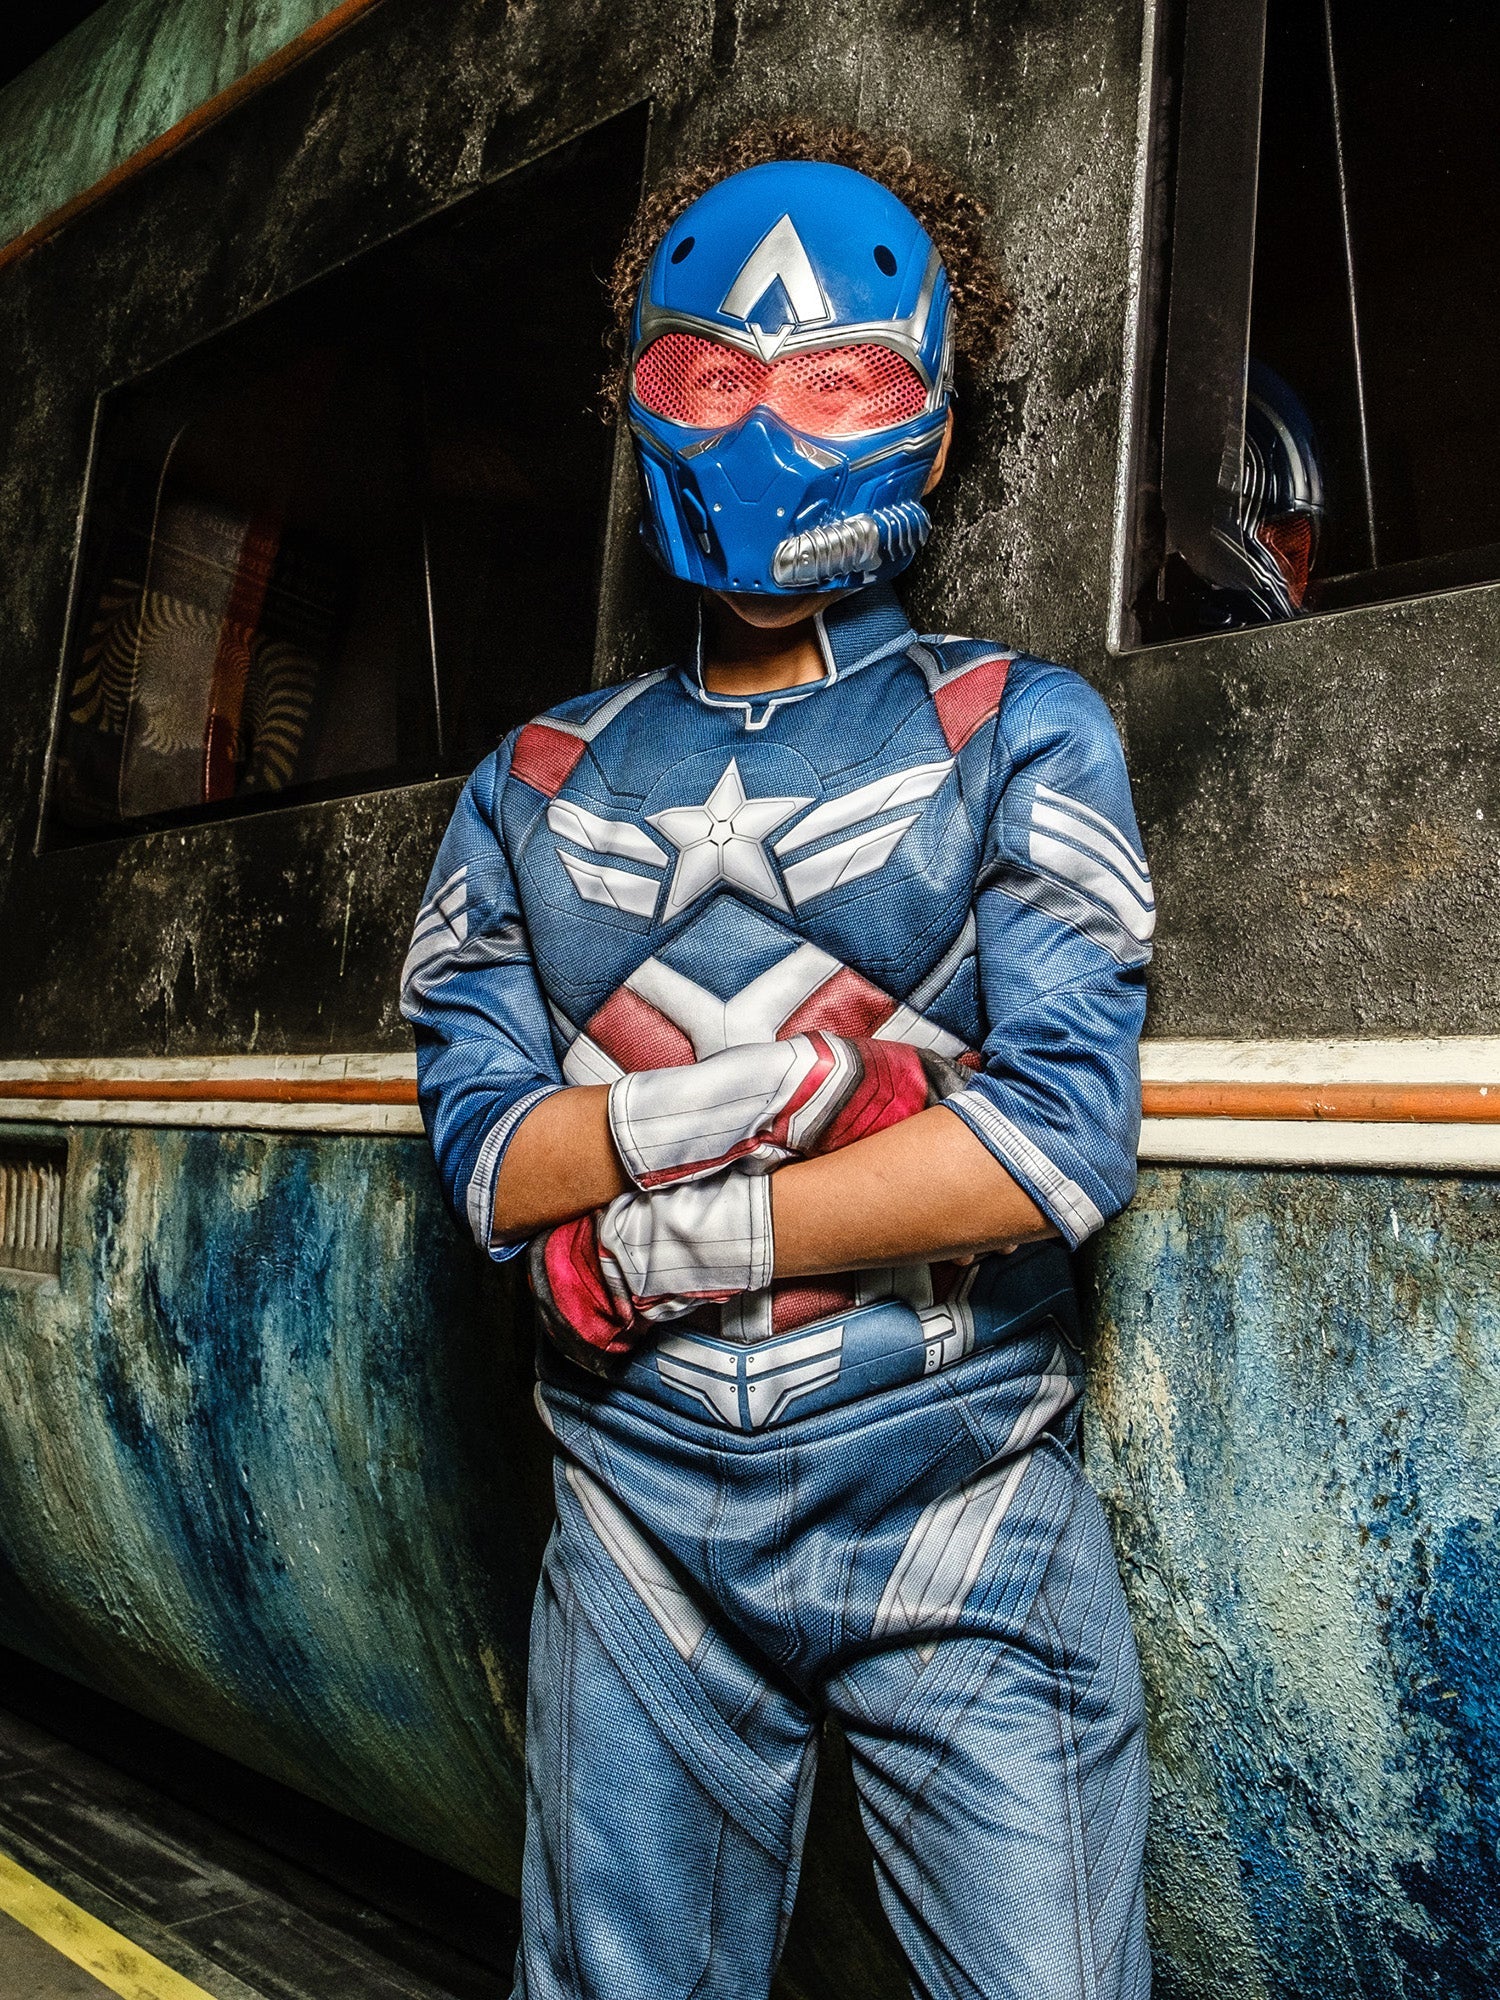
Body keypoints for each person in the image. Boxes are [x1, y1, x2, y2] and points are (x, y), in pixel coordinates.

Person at [403, 119, 1153, 2000]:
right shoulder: (533, 781)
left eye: (835, 382)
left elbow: (1056, 1145)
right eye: (711, 375)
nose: (762, 433)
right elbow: (485, 1161)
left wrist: (680, 1229)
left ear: (933, 426)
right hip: (639, 1509)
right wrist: (734, 1112)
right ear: (637, 393)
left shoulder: (1019, 729)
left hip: (958, 1502)